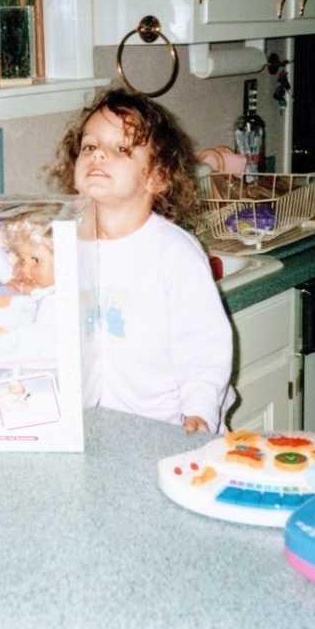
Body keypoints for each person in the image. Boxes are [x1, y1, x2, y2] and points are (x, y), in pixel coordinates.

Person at [48, 87, 235, 434]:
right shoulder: (62, 243)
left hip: (170, 428)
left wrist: (200, 411)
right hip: (94, 430)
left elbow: (203, 345)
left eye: (121, 148)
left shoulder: (173, 253)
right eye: (89, 146)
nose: (98, 155)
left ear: (157, 177)